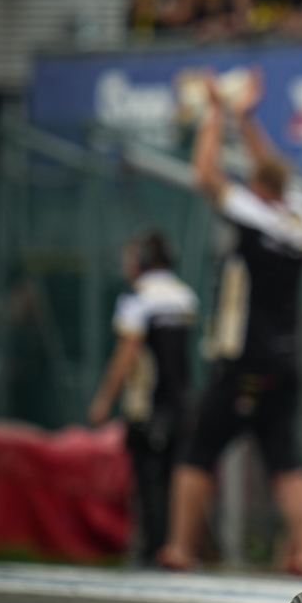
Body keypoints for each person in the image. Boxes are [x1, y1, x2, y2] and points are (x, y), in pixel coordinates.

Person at [158, 70, 302, 574]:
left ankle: (180, 547)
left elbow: (205, 175)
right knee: (286, 462)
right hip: (285, 359)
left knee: (199, 450)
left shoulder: (254, 217)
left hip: (242, 356)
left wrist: (213, 113)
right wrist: (246, 117)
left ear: (258, 191)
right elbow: (271, 170)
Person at [87, 232, 198, 564]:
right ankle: (172, 545)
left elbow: (127, 354)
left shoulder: (137, 300)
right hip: (180, 400)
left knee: (148, 479)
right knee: (174, 477)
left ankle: (152, 549)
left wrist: (105, 399)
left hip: (147, 404)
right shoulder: (184, 296)